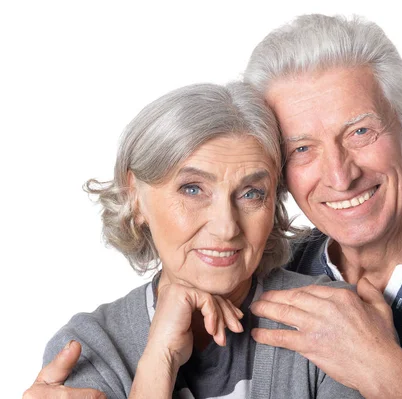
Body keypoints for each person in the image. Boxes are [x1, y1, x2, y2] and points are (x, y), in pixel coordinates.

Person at [25, 14, 402, 399]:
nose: (338, 174)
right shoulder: (290, 262)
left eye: (360, 131)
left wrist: (389, 376)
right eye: (302, 149)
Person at [23, 82, 362, 399]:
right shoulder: (91, 347)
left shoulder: (330, 318)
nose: (227, 227)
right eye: (193, 189)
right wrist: (159, 359)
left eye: (251, 193)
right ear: (135, 196)